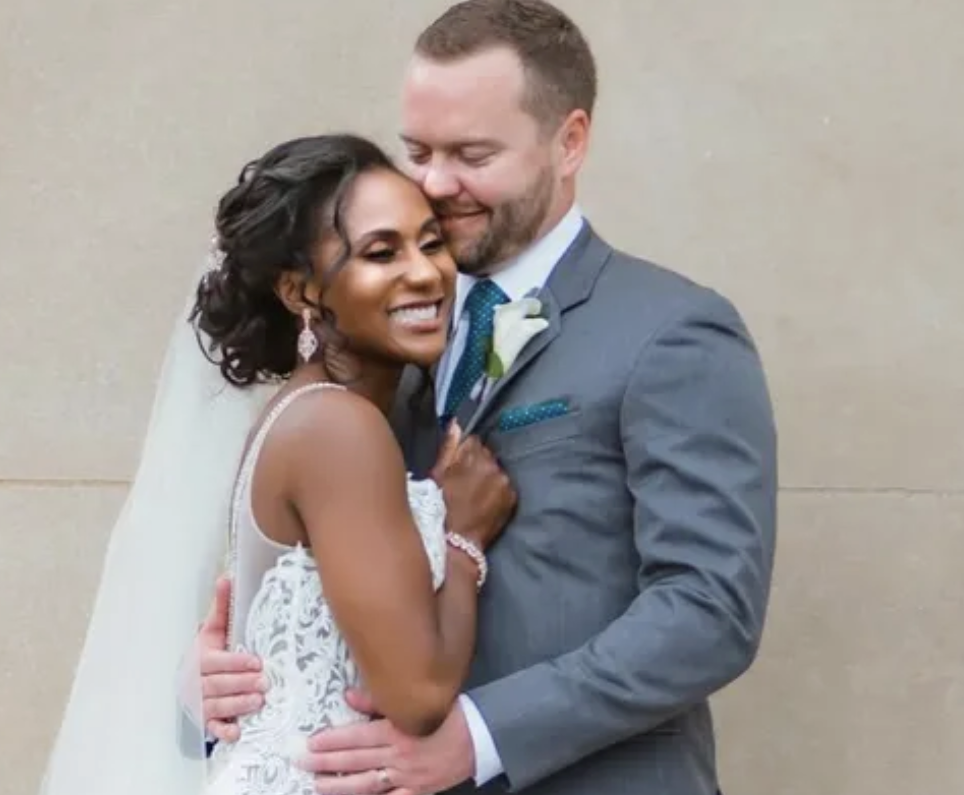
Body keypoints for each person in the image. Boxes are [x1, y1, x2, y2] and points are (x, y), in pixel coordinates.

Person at [199, 3, 778, 795]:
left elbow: (709, 609)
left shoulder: (671, 333)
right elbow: (311, 580)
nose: (436, 184)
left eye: (471, 153)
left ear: (568, 141)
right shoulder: (372, 344)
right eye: (417, 152)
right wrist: (224, 677)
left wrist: (481, 736)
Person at [38, 133, 517, 795]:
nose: (423, 272)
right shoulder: (335, 428)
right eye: (381, 252)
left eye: (430, 242)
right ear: (300, 291)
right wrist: (463, 540)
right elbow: (416, 693)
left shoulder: (314, 412)